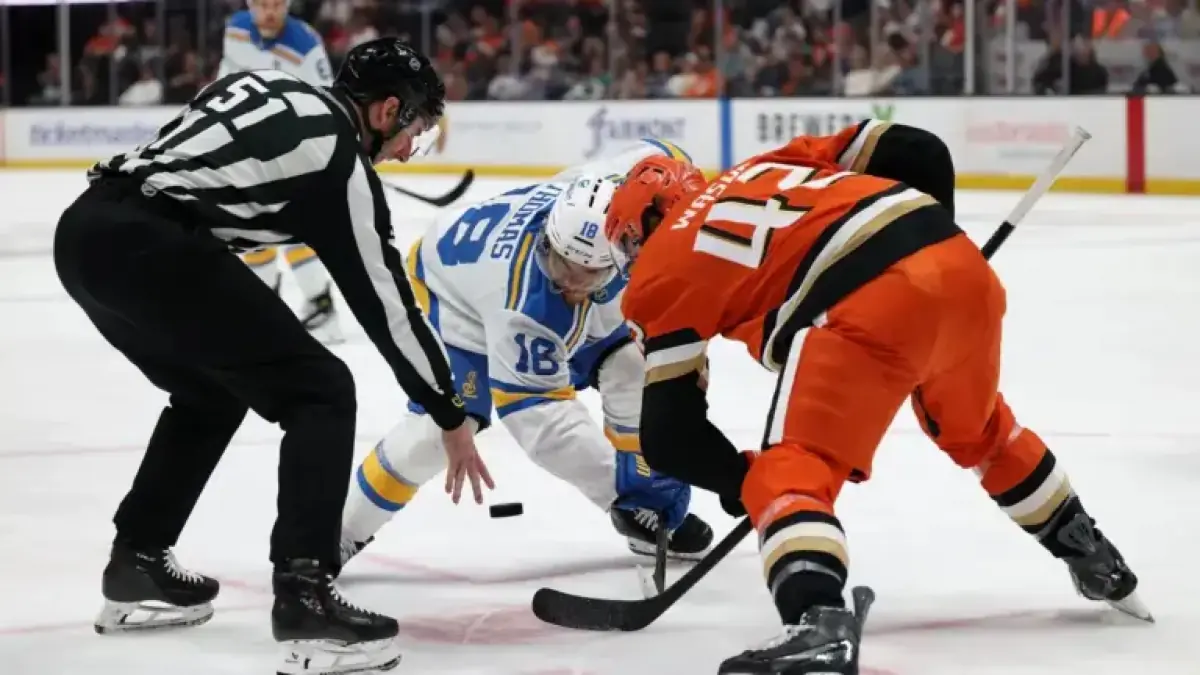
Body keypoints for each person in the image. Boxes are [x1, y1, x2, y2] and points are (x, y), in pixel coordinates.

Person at [602, 121, 1149, 675]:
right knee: (981, 433)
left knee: (793, 470)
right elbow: (917, 148)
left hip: (862, 304)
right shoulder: (765, 165)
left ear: (653, 214)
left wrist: (740, 480)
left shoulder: (657, 272)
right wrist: (931, 247)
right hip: (961, 270)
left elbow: (669, 436)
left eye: (628, 239)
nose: (630, 254)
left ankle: (817, 622)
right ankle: (1091, 552)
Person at [54, 38, 490, 673]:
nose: (405, 150)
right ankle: (305, 598)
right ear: (387, 109)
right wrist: (448, 411)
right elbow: (389, 310)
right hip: (152, 248)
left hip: (84, 232)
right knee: (321, 390)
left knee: (209, 394)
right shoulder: (342, 165)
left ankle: (136, 562)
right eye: (414, 133)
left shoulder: (269, 84)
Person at [339, 138, 714, 566]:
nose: (567, 283)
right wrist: (622, 486)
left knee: (631, 366)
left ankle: (644, 514)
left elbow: (663, 153)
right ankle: (336, 532)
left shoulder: (626, 189)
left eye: (584, 273)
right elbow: (544, 424)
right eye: (558, 262)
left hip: (556, 288)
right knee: (436, 432)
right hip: (455, 299)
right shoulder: (525, 305)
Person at [217, 0, 345, 344]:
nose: (270, 11)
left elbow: (327, 103)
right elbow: (226, 79)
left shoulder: (305, 45)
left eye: (277, 3)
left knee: (291, 231)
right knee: (248, 230)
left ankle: (321, 308)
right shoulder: (235, 29)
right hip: (245, 151)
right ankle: (267, 309)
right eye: (263, 3)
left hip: (292, 153)